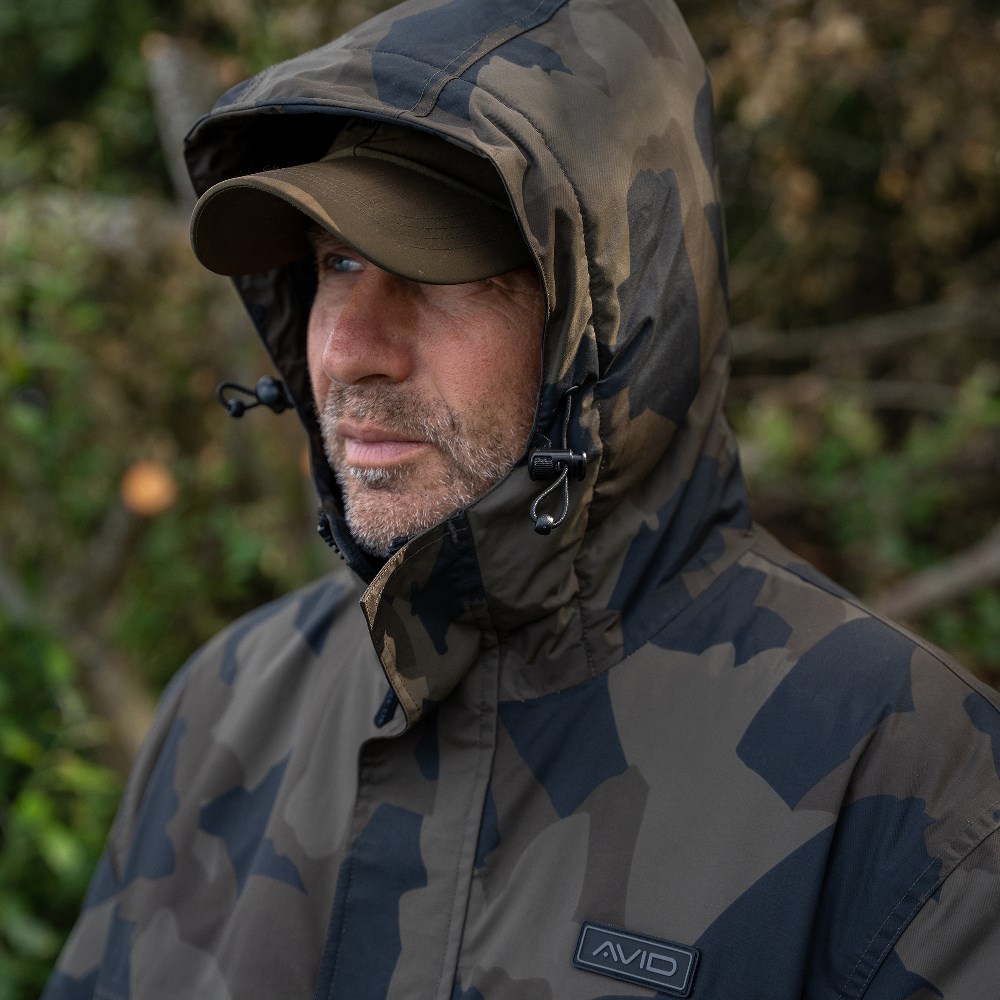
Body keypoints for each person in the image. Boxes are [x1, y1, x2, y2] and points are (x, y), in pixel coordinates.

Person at [46, 0, 1000, 998]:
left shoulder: (908, 777)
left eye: (435, 268)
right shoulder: (223, 707)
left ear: (607, 324)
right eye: (337, 263)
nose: (348, 350)